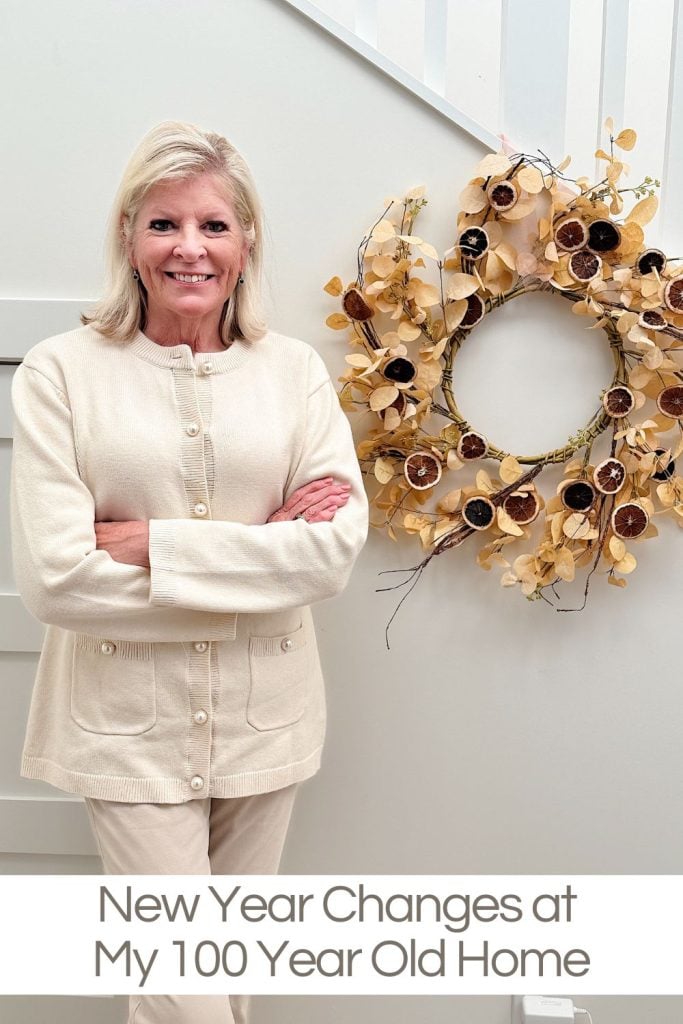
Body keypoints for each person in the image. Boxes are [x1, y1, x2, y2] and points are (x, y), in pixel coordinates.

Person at [9, 120, 368, 1024]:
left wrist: (152, 547)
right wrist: (255, 564)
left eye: (214, 225)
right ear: (129, 239)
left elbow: (329, 550)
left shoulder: (293, 375)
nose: (190, 249)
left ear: (245, 245)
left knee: (221, 987)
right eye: (164, 224)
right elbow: (57, 582)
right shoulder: (61, 374)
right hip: (126, 731)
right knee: (186, 996)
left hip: (266, 722)